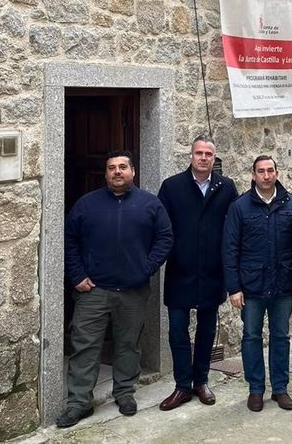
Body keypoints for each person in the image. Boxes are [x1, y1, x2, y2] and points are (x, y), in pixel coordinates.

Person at [58, 151, 173, 428]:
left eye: (123, 167)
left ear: (133, 171)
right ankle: (79, 403)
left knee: (128, 345)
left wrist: (147, 268)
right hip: (92, 291)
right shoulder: (87, 205)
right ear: (106, 174)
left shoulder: (150, 204)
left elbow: (165, 237)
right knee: (84, 346)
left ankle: (124, 393)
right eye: (112, 168)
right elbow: (69, 241)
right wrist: (77, 275)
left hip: (133, 291)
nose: (117, 172)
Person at [157, 135, 239, 411]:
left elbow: (233, 230)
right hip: (181, 269)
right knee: (178, 331)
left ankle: (201, 380)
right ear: (190, 156)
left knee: (206, 330)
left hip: (213, 271)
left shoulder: (226, 187)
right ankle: (182, 386)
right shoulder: (172, 187)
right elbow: (160, 228)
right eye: (199, 153)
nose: (203, 158)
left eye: (208, 154)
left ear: (214, 159)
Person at [223, 155, 292, 413]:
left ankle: (280, 388)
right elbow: (230, 249)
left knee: (281, 337)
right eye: (261, 171)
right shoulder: (240, 207)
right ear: (253, 175)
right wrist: (234, 287)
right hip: (251, 286)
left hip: (283, 283)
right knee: (251, 337)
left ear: (277, 173)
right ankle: (256, 389)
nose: (266, 175)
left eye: (270, 170)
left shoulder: (290, 204)